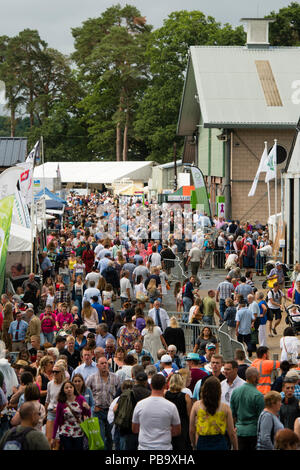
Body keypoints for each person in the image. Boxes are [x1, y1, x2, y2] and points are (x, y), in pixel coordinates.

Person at [132, 373, 181, 450]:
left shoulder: (140, 405)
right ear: (165, 386)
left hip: (144, 446)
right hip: (164, 446)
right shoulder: (171, 406)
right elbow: (177, 431)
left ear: (151, 385)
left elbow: (135, 429)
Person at [189, 376, 238, 450]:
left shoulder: (196, 405)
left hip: (203, 442)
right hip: (220, 442)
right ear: (219, 391)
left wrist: (193, 445)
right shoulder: (225, 408)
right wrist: (235, 447)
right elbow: (231, 433)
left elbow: (192, 430)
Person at [86, 356, 120, 450]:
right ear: (97, 365)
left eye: (106, 363)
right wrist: (92, 407)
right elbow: (85, 394)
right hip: (98, 411)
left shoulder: (115, 377)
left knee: (110, 437)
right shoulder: (91, 378)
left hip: (110, 412)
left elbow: (120, 394)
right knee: (100, 437)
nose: (104, 365)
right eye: (102, 363)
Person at [230, 367, 265, 451]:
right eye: (258, 377)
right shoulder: (258, 395)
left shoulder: (235, 392)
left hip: (239, 431)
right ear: (254, 377)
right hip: (253, 432)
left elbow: (232, 414)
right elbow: (262, 418)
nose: (259, 379)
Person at [51, 379, 91, 450]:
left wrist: (87, 408)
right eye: (66, 388)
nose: (69, 389)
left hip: (78, 431)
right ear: (63, 390)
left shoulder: (80, 399)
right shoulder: (61, 402)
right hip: (65, 431)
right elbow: (57, 419)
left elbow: (88, 414)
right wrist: (53, 437)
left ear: (73, 388)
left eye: (70, 387)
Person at [165, 374, 192, 451]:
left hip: (169, 424)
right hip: (183, 425)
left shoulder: (165, 394)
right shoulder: (186, 396)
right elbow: (189, 414)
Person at [45, 362, 66, 445]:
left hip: (63, 413)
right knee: (49, 439)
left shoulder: (66, 384)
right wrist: (45, 414)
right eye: (53, 371)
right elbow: (48, 399)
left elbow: (69, 400)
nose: (54, 373)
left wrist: (59, 408)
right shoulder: (49, 384)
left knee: (60, 440)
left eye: (57, 372)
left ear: (62, 373)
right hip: (51, 412)